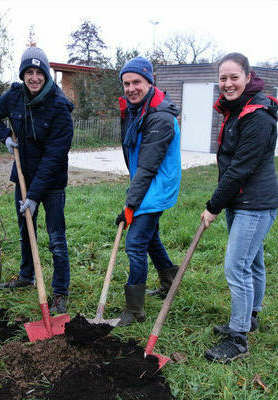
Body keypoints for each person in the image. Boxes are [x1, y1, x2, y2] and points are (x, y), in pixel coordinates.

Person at [201, 52, 278, 362]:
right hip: (242, 199)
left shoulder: (257, 115)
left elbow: (240, 168)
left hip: (254, 203)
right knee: (253, 263)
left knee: (237, 267)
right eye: (223, 78)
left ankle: (237, 339)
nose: (228, 83)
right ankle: (250, 318)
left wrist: (213, 206)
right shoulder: (237, 110)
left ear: (248, 77)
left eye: (234, 77)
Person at [0, 46, 74, 314]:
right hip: (23, 175)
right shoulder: (15, 96)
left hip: (52, 182)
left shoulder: (60, 107)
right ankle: (26, 276)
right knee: (26, 230)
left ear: (46, 74)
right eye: (29, 72)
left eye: (39, 72)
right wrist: (6, 137)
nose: (34, 78)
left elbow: (53, 158)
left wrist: (33, 196)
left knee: (56, 237)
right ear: (23, 75)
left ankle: (60, 291)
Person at [114, 56, 182, 327]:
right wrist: (131, 202)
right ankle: (170, 280)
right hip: (145, 182)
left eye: (137, 82)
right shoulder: (136, 109)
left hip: (157, 184)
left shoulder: (160, 117)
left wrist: (130, 206)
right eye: (126, 83)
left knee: (135, 243)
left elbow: (149, 165)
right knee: (150, 236)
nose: (131, 88)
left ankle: (135, 310)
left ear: (150, 82)